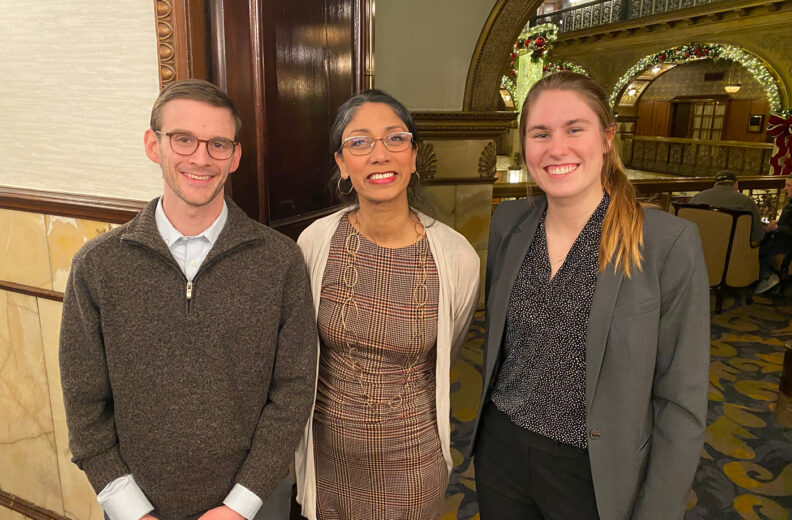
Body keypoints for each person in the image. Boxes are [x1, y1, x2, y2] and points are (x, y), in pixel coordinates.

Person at [59, 79, 317, 520]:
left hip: (255, 503)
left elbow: (293, 392)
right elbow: (85, 406)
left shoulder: (280, 261)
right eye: (183, 139)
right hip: (137, 505)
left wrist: (241, 504)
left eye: (218, 143)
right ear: (153, 145)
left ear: (235, 156)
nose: (201, 157)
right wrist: (129, 509)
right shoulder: (98, 266)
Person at [470, 72, 710, 520]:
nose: (556, 148)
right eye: (540, 133)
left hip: (595, 470)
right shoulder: (510, 222)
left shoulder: (666, 242)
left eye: (574, 129)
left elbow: (682, 399)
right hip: (501, 451)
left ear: (606, 137)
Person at [294, 89, 480, 520]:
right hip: (327, 462)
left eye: (395, 139)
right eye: (360, 142)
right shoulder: (315, 243)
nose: (380, 155)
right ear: (342, 163)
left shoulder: (455, 257)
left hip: (411, 463)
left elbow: (451, 345)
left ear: (414, 157)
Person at [690, 169, 765, 243]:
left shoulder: (697, 198)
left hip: (699, 248)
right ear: (735, 183)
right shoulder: (746, 201)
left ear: (715, 184)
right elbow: (757, 236)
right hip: (733, 251)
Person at [755, 174, 792, 293]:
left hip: (786, 243)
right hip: (784, 237)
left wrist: (776, 227)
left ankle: (767, 276)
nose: (785, 188)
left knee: (758, 246)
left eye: (789, 185)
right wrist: (778, 223)